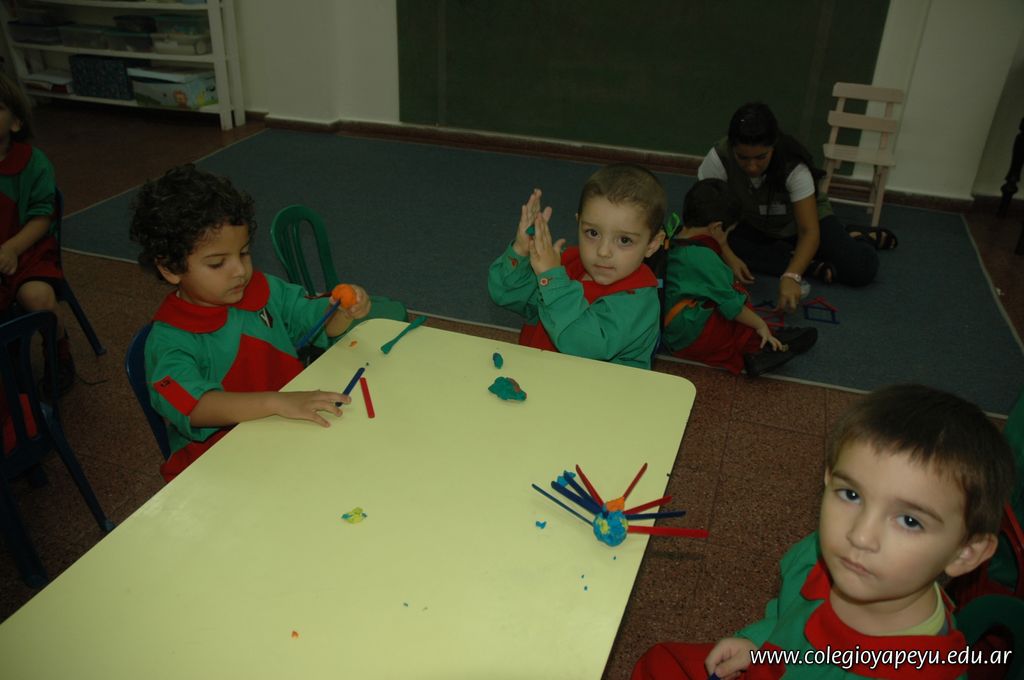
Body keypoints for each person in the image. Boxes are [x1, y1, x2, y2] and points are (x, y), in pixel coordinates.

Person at [632, 384, 1015, 680]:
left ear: (965, 553)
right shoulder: (823, 557)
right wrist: (756, 642)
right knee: (661, 662)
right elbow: (789, 617)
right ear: (828, 481)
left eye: (910, 521)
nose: (860, 536)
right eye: (851, 495)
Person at [130, 164, 373, 482]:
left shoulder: (263, 289)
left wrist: (341, 310)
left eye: (243, 253)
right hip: (220, 462)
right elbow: (194, 407)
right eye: (218, 263)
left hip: (289, 430)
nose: (239, 271)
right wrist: (275, 402)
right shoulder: (169, 340)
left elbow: (315, 323)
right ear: (170, 269)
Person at [699, 102, 896, 313]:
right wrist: (728, 255)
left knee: (859, 270)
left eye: (761, 157)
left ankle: (859, 237)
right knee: (704, 246)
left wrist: (792, 276)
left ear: (773, 146)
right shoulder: (719, 157)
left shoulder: (793, 166)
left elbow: (808, 231)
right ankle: (806, 263)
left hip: (800, 222)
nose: (752, 166)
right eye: (743, 158)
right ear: (732, 147)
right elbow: (706, 218)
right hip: (753, 222)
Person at [488, 163, 665, 369]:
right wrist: (520, 250)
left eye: (624, 240)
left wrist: (552, 280)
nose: (603, 251)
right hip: (540, 375)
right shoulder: (565, 264)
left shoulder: (638, 301)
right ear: (578, 223)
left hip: (596, 389)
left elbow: (582, 344)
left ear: (652, 244)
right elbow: (506, 294)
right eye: (593, 233)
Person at [662, 179, 817, 377]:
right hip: (688, 337)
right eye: (728, 232)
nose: (727, 238)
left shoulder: (675, 234)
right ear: (717, 228)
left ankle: (766, 338)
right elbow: (731, 305)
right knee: (736, 308)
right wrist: (760, 324)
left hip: (675, 325)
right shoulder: (703, 257)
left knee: (730, 310)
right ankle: (757, 351)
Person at [0, 72, 74, 393]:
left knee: (38, 297)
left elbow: (42, 217)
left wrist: (12, 249)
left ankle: (59, 354)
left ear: (16, 123)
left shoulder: (32, 163)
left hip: (29, 252)